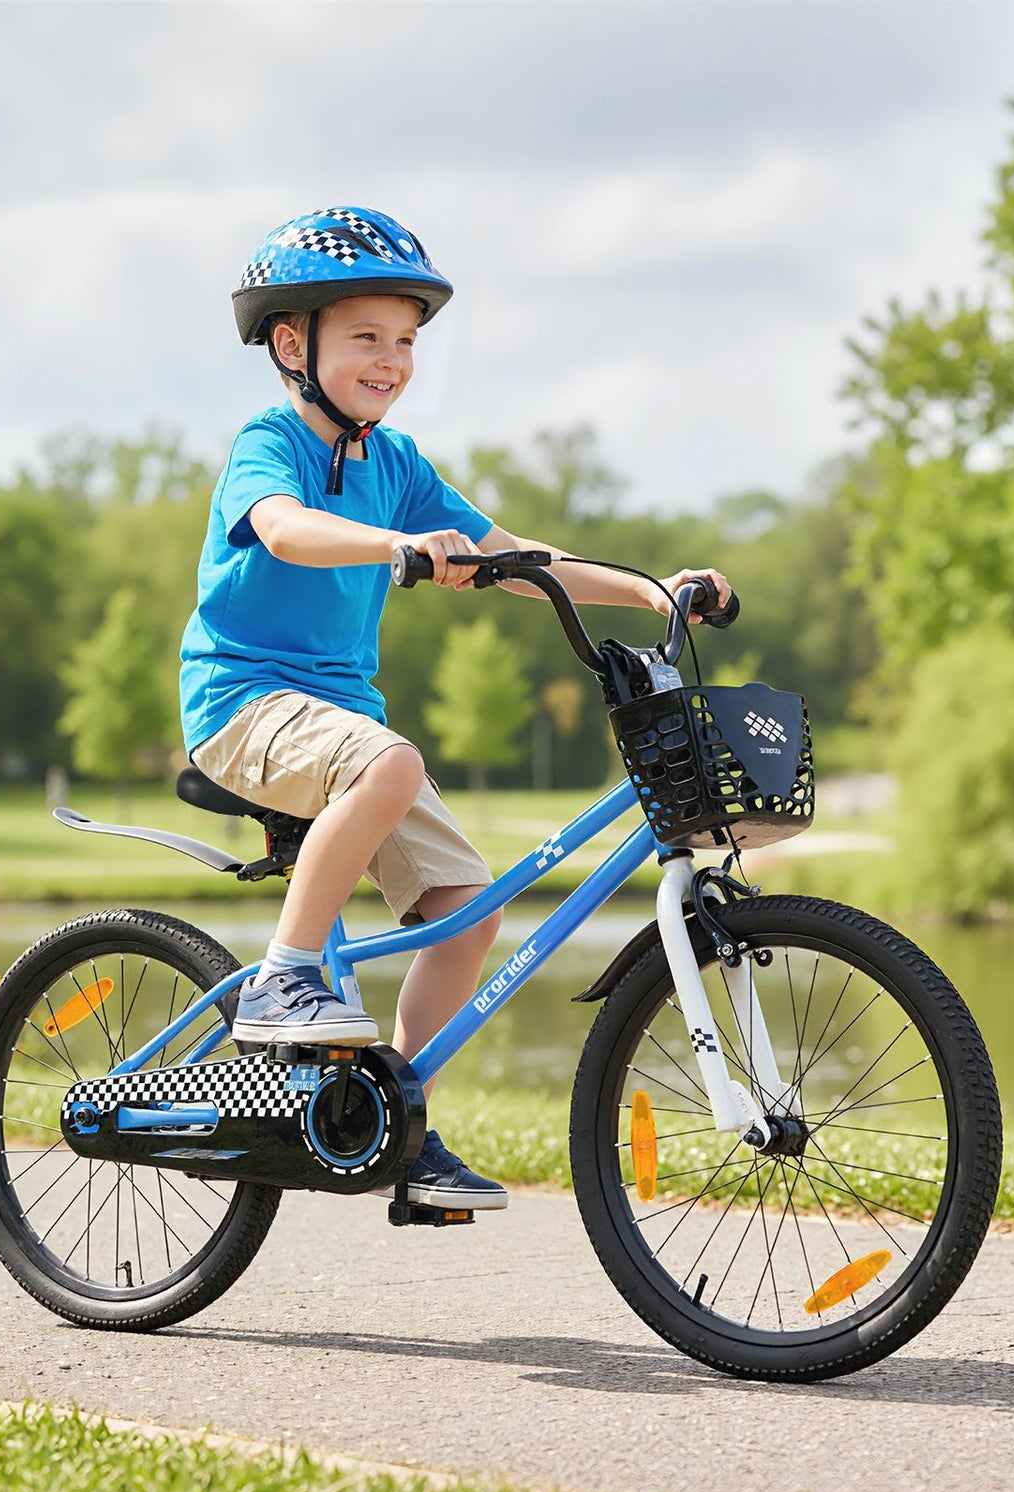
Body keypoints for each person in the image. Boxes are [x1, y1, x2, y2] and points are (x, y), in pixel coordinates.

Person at [180, 207, 731, 1209]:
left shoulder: (395, 465)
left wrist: (650, 590)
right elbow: (286, 529)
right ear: (293, 346)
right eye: (367, 337)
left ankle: (396, 1129)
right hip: (243, 701)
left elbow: (514, 557)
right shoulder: (270, 443)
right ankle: (283, 978)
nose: (391, 361)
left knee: (466, 912)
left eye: (406, 341)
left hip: (344, 720)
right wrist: (391, 545)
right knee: (390, 762)